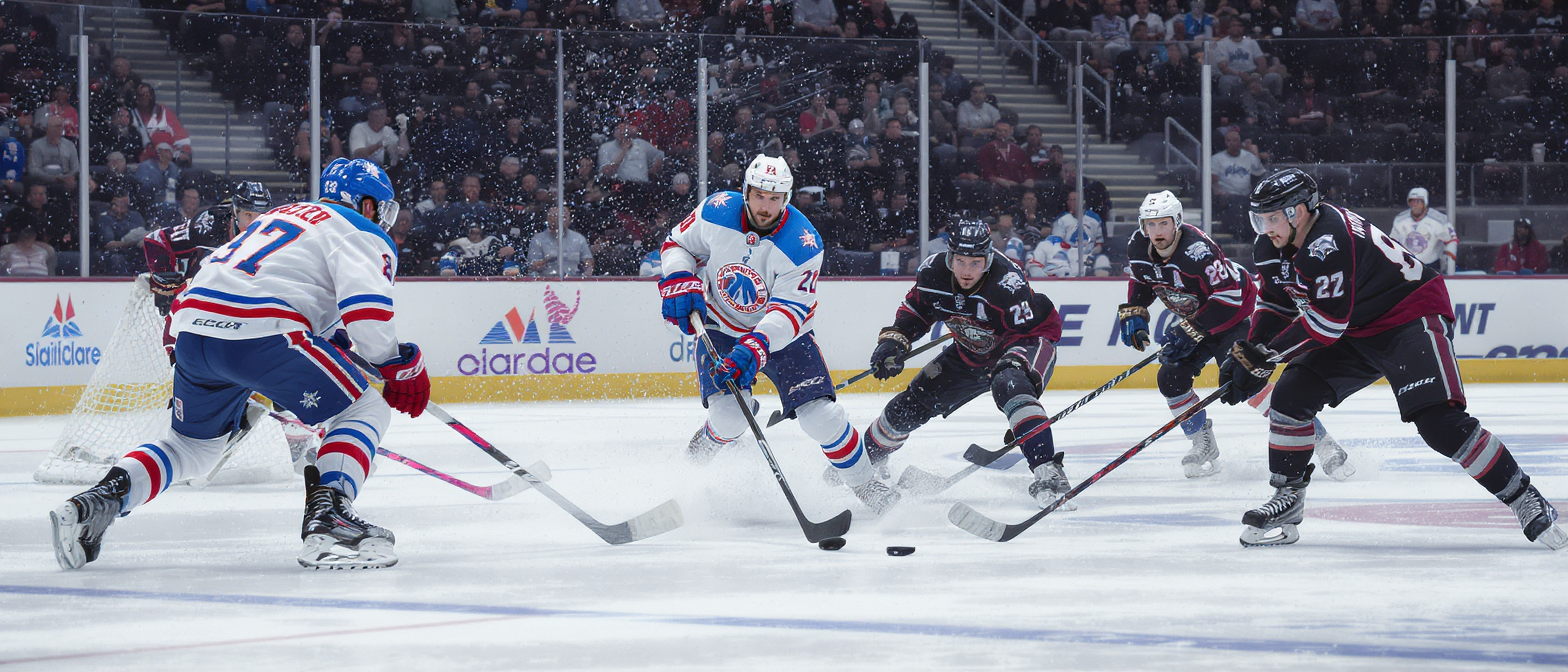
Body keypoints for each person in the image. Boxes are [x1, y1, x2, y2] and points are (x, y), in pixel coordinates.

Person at [52, 160, 426, 572]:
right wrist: (399, 365)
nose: (382, 220)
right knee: (364, 408)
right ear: (368, 205)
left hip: (194, 332)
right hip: (262, 332)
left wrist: (337, 344)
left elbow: (303, 296)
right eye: (382, 208)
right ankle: (330, 519)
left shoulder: (284, 215)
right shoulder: (359, 230)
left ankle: (96, 503)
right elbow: (367, 314)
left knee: (192, 447)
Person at [1217, 168, 1565, 550]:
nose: (1264, 228)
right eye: (1259, 219)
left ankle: (1523, 497)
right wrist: (1249, 351)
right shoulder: (1271, 246)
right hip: (1355, 326)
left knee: (1439, 422)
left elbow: (1327, 323)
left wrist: (1263, 357)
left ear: (1298, 211)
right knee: (1290, 398)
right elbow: (1275, 302)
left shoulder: (1328, 240)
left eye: (1270, 218)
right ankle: (1287, 499)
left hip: (1408, 318)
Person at [661, 155, 898, 513]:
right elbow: (677, 244)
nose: (766, 205)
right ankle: (696, 458)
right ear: (746, 192)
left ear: (786, 198)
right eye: (759, 195)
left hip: (786, 338)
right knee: (730, 416)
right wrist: (679, 277)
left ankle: (867, 486)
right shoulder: (717, 210)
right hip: (721, 327)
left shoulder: (803, 243)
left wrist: (756, 346)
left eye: (775, 198)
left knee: (822, 418)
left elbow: (790, 310)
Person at [1117, 191, 1350, 479]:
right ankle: (1203, 443)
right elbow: (1142, 278)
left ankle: (1323, 442)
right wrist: (1136, 309)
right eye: (1149, 225)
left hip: (1234, 316)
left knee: (1250, 381)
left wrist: (1190, 329)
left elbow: (1229, 297)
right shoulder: (1138, 245)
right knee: (1170, 378)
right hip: (1199, 319)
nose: (1156, 232)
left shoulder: (1196, 251)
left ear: (1177, 222)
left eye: (1163, 224)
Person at [861, 220, 1069, 508]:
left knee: (1009, 383)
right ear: (950, 257)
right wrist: (895, 340)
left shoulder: (1008, 282)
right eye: (960, 261)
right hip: (971, 352)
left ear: (988, 259)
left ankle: (1048, 470)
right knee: (908, 406)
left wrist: (1022, 417)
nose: (966, 271)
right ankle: (859, 463)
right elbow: (917, 310)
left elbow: (1025, 333)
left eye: (975, 263)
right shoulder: (932, 273)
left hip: (1026, 339)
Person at [142, 181, 275, 353]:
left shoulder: (276, 230)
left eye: (261, 216)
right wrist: (165, 280)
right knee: (182, 352)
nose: (253, 225)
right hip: (200, 298)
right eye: (248, 215)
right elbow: (155, 239)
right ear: (235, 212)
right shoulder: (210, 224)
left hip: (243, 300)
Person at [1388, 187, 1456, 275]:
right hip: (1408, 267)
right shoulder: (1400, 220)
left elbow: (1451, 240)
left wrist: (1450, 267)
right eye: (1412, 201)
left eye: (1418, 201)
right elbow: (1392, 243)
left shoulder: (1438, 220)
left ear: (1425, 202)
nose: (1414, 205)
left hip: (1432, 267)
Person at [1212, 129, 1266, 236]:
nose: (1232, 143)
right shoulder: (1217, 159)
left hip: (1245, 196)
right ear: (1225, 142)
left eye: (1235, 140)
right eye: (1229, 141)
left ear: (1240, 141)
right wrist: (1218, 191)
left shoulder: (1249, 157)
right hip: (1226, 197)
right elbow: (1214, 181)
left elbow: (1261, 173)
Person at [527, 207, 594, 277]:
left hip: (574, 281)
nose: (561, 220)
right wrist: (546, 260)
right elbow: (531, 266)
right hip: (546, 281)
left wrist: (586, 270)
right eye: (556, 216)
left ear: (569, 220)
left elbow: (588, 262)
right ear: (548, 219)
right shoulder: (538, 239)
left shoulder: (578, 238)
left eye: (564, 217)